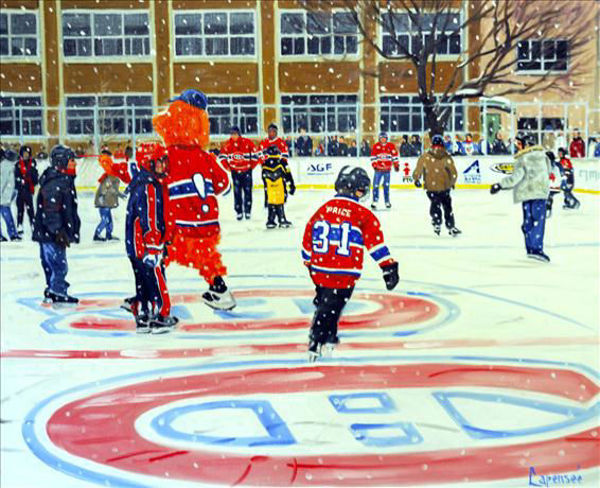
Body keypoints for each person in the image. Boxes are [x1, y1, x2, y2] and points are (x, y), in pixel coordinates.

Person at [302, 165, 399, 361]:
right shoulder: (363, 214)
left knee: (327, 302)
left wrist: (309, 263)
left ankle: (327, 335)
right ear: (358, 189)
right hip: (345, 272)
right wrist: (388, 267)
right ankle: (317, 339)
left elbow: (307, 239)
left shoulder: (322, 209)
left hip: (320, 269)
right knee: (334, 306)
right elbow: (375, 244)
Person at [152, 89, 235, 311]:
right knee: (205, 257)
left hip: (177, 222)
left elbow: (156, 186)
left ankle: (153, 294)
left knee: (158, 256)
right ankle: (220, 289)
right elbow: (224, 186)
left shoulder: (166, 157)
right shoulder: (206, 157)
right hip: (206, 222)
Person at [490, 135, 551, 262]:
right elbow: (549, 173)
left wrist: (500, 185)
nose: (517, 147)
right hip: (540, 194)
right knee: (538, 222)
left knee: (529, 222)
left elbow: (516, 177)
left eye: (519, 144)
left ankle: (531, 248)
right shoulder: (543, 157)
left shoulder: (523, 159)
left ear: (526, 145)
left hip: (527, 194)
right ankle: (536, 248)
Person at [33, 145, 80, 304]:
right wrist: (58, 231)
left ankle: (52, 288)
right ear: (62, 162)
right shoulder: (56, 182)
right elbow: (51, 210)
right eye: (71, 161)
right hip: (51, 234)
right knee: (58, 264)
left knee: (51, 263)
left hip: (48, 233)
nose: (75, 164)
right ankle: (57, 290)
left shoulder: (61, 180)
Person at [413, 134, 461, 237]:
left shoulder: (425, 156)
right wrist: (452, 182)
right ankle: (450, 225)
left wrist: (417, 178)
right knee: (447, 207)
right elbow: (453, 172)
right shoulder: (446, 157)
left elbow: (418, 169)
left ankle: (437, 222)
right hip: (444, 186)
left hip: (431, 187)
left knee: (435, 205)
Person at [219, 126, 258, 220]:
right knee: (237, 193)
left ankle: (247, 211)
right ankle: (239, 211)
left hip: (246, 172)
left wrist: (250, 167)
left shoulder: (247, 142)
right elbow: (222, 157)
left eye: (235, 134)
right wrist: (227, 167)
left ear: (239, 134)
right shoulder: (227, 144)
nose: (233, 136)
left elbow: (255, 156)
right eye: (232, 134)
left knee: (248, 192)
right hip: (235, 172)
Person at [261, 145, 295, 228]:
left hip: (270, 188)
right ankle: (281, 218)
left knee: (271, 201)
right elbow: (288, 175)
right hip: (280, 186)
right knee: (279, 202)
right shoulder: (283, 162)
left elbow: (263, 178)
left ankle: (271, 220)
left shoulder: (265, 164)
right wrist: (291, 185)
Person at [93, 153, 123, 241]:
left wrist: (118, 193)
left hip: (106, 202)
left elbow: (111, 188)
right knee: (105, 220)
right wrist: (102, 196)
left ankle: (108, 234)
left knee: (108, 220)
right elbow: (106, 188)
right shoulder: (109, 177)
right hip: (104, 203)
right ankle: (97, 234)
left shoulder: (111, 176)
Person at [370, 131, 399, 209]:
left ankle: (387, 201)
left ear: (387, 139)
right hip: (378, 170)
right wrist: (375, 165)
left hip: (387, 170)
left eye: (384, 138)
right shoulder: (376, 146)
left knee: (386, 186)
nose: (383, 140)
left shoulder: (391, 146)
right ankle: (375, 201)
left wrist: (396, 165)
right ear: (379, 139)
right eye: (381, 138)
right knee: (375, 186)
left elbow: (395, 156)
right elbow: (373, 157)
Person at [14, 145, 38, 236]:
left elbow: (35, 176)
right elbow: (16, 176)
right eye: (24, 153)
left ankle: (33, 225)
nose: (25, 155)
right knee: (20, 209)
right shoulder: (18, 164)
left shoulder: (32, 163)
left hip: (28, 190)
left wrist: (31, 179)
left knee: (30, 209)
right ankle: (19, 225)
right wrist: (20, 181)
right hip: (21, 190)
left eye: (27, 153)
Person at [1, 149, 20, 242]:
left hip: (5, 196)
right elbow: (2, 182)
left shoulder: (7, 165)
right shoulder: (6, 166)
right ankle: (12, 234)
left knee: (7, 216)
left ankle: (11, 234)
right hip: (3, 197)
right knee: (8, 216)